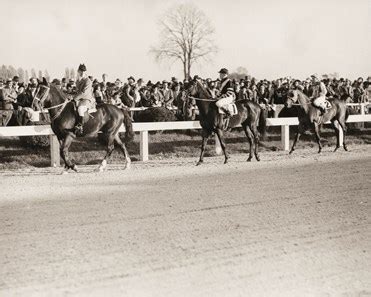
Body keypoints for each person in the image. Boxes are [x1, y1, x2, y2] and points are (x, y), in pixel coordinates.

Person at [73, 64, 94, 135]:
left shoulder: (88, 81)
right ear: (78, 71)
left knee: (80, 108)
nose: (82, 73)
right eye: (80, 71)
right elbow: (76, 91)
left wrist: (74, 98)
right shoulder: (78, 81)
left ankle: (80, 125)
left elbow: (84, 93)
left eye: (83, 71)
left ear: (85, 72)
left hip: (86, 99)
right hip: (79, 99)